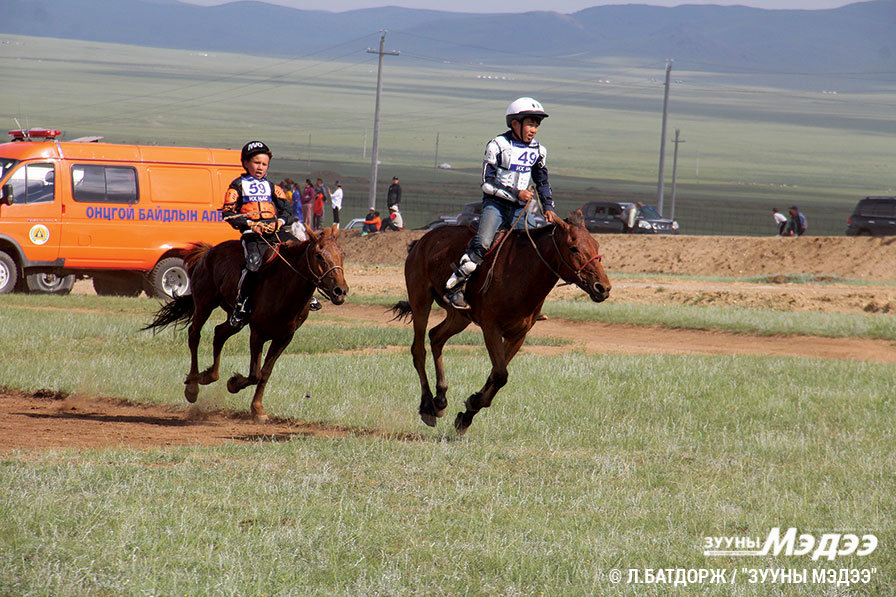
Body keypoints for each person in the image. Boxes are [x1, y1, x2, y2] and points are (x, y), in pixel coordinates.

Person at [443, 97, 560, 310]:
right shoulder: (497, 145)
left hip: (520, 210)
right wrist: (517, 194)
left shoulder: (539, 151)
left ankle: (528, 302)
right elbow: (487, 184)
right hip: (495, 206)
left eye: (537, 125)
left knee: (535, 248)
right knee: (483, 243)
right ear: (515, 123)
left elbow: (542, 181)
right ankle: (455, 287)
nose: (534, 129)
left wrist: (549, 208)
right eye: (530, 123)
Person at [222, 141, 318, 328]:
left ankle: (308, 295)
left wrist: (279, 222)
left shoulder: (273, 187)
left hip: (276, 231)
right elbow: (228, 214)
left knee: (302, 251)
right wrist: (251, 224)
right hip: (252, 234)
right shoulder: (237, 185)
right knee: (253, 263)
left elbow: (288, 212)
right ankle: (242, 305)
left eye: (264, 164)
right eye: (256, 163)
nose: (260, 167)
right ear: (246, 163)